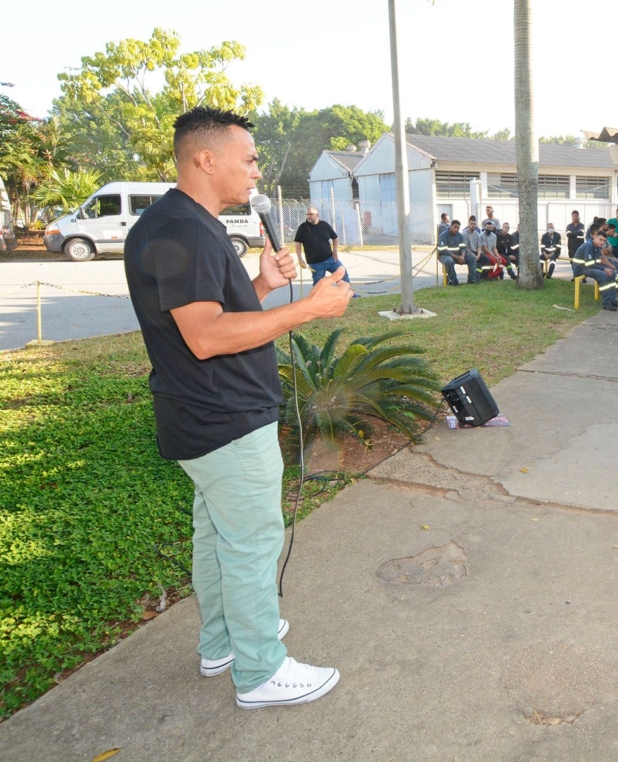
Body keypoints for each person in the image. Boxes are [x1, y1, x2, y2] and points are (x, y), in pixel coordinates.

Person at [123, 106, 346, 709]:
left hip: (198, 412)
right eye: (248, 160)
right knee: (250, 541)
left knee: (218, 534)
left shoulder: (176, 223)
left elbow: (212, 315)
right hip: (224, 417)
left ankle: (224, 640)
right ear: (206, 159)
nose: (255, 172)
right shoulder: (187, 230)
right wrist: (308, 309)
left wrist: (266, 287)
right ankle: (259, 671)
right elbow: (206, 337)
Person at [571, 228, 618, 311]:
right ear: (595, 237)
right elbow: (589, 264)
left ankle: (612, 300)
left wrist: (606, 268)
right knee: (603, 275)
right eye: (600, 239)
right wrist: (604, 269)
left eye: (604, 241)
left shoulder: (597, 247)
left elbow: (597, 262)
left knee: (612, 273)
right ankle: (606, 303)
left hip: (587, 267)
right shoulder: (589, 245)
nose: (602, 242)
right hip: (580, 268)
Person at [293, 208, 348, 286]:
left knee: (343, 273)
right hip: (315, 262)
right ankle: (319, 297)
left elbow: (335, 238)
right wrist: (300, 258)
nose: (308, 216)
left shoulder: (324, 225)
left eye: (311, 214)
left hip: (330, 258)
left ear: (317, 215)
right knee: (318, 284)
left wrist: (335, 251)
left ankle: (348, 293)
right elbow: (297, 243)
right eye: (307, 214)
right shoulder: (303, 227)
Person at [437, 219, 479, 285]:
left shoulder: (459, 235)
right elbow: (444, 251)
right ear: (451, 226)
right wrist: (457, 258)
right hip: (445, 255)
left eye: (458, 228)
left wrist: (462, 256)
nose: (456, 229)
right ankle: (454, 282)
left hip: (458, 255)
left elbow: (463, 247)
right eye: (455, 227)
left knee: (472, 258)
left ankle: (472, 280)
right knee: (449, 261)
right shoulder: (443, 235)